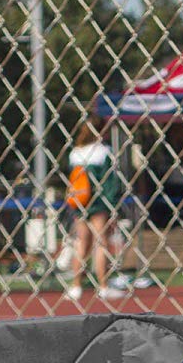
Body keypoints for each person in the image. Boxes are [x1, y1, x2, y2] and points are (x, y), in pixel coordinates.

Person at [65, 120, 124, 303]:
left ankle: (76, 286)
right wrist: (113, 205)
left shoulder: (75, 153)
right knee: (101, 243)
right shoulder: (103, 152)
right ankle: (103, 286)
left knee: (82, 243)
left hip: (81, 201)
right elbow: (111, 181)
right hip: (99, 202)